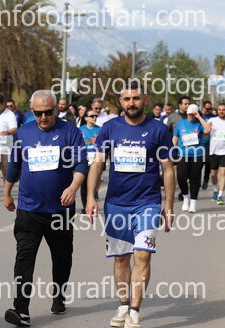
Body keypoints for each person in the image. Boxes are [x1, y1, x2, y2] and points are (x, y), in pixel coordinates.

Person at [85, 81, 175, 328]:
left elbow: (168, 169)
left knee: (142, 255)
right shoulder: (110, 128)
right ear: (121, 102)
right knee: (121, 258)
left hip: (147, 202)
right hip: (116, 203)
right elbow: (97, 164)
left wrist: (169, 206)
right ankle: (123, 305)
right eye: (127, 99)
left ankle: (134, 310)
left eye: (136, 98)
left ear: (145, 99)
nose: (131, 103)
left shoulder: (158, 130)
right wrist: (91, 196)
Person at [3, 90, 87, 326]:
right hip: (29, 210)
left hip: (60, 211)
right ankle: (21, 309)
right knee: (24, 258)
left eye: (48, 112)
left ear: (56, 109)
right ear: (32, 111)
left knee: (62, 258)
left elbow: (81, 163)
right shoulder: (23, 132)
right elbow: (15, 164)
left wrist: (73, 187)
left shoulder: (70, 132)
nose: (43, 117)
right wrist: (7, 192)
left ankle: (58, 297)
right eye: (38, 113)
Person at [172, 104, 211, 213]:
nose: (191, 116)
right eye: (189, 114)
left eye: (193, 114)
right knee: (181, 177)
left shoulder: (200, 123)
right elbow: (175, 137)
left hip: (197, 154)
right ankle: (186, 197)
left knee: (194, 178)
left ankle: (193, 203)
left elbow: (208, 130)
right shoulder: (181, 123)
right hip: (183, 154)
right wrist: (173, 147)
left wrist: (199, 117)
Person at [79, 109, 101, 211]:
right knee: (83, 185)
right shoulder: (80, 129)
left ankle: (91, 202)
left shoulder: (100, 130)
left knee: (92, 184)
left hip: (95, 161)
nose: (94, 118)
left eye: (96, 116)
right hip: (84, 160)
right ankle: (85, 207)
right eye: (92, 116)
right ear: (86, 118)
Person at [199, 101, 216, 190]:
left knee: (208, 162)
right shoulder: (199, 116)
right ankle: (197, 181)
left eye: (210, 109)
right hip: (199, 142)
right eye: (207, 109)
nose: (209, 110)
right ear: (203, 108)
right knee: (198, 163)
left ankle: (206, 180)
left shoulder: (214, 118)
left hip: (210, 143)